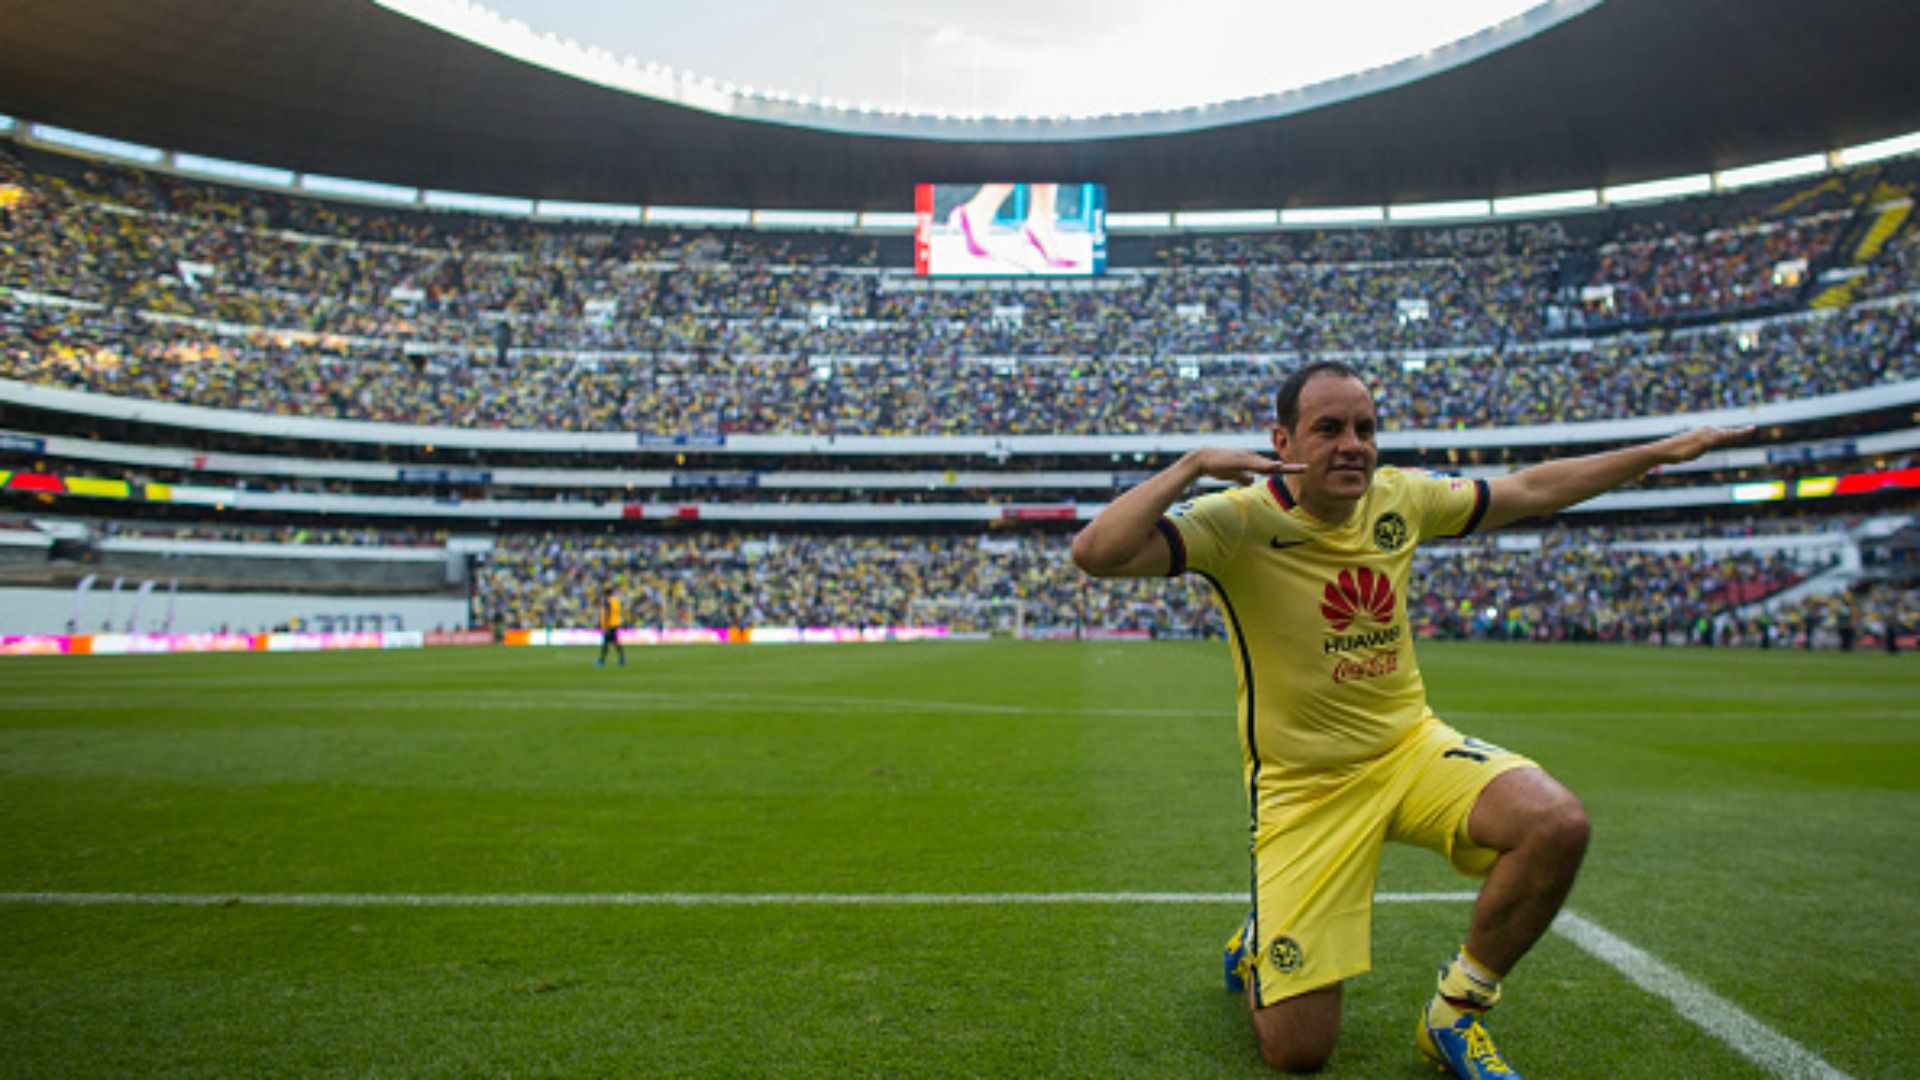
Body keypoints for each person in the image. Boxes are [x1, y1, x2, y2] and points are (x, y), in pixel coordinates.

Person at [1070, 360, 1750, 1077]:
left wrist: (1658, 452)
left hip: (1409, 751)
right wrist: (1192, 465)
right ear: (1282, 440)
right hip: (1306, 789)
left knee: (1556, 822)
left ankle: (1455, 1012)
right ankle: (1258, 941)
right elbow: (1095, 553)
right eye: (1329, 429)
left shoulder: (1403, 498)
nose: (1352, 445)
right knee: (1298, 1053)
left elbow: (1531, 489)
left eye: (1365, 429)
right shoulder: (1237, 522)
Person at [596, 591, 626, 668]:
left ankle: (601, 661)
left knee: (606, 643)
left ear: (606, 594)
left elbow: (607, 614)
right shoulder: (616, 601)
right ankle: (622, 659)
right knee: (616, 642)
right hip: (615, 624)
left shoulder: (607, 602)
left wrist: (606, 626)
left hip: (609, 625)